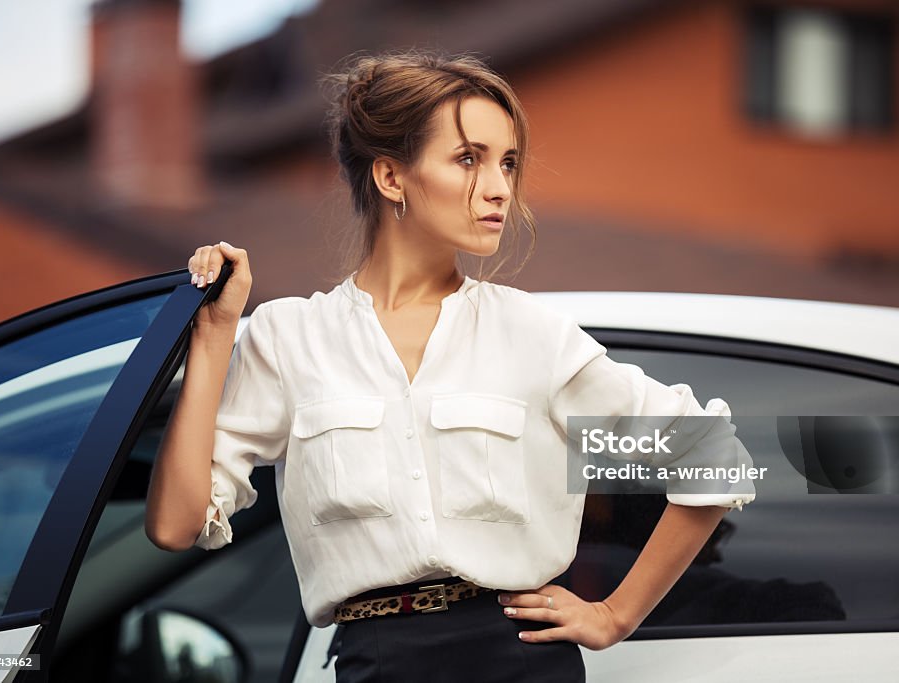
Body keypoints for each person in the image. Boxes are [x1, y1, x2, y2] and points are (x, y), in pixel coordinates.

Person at [145, 50, 757, 683]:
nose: (499, 187)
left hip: (520, 658)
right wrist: (216, 335)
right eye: (469, 159)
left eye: (508, 162)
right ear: (390, 177)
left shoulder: (528, 334)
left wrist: (615, 616)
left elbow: (709, 456)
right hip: (374, 662)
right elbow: (175, 524)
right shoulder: (289, 339)